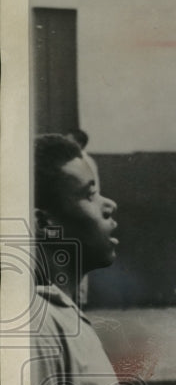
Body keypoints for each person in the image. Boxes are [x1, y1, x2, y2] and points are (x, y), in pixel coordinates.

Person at [31, 134, 149, 385]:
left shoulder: (65, 318)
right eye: (89, 194)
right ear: (44, 223)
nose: (108, 205)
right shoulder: (39, 331)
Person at [65, 128, 100, 307]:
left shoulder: (83, 162)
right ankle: (74, 302)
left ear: (78, 143)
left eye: (69, 140)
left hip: (83, 213)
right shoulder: (78, 161)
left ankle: (78, 304)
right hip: (78, 212)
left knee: (79, 259)